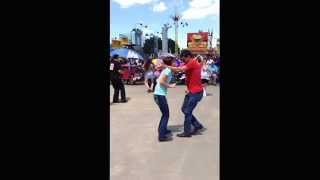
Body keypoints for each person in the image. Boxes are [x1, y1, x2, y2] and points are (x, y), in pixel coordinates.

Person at [161, 49, 205, 137]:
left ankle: (187, 132)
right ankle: (197, 125)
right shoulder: (190, 63)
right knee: (184, 109)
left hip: (196, 92)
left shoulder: (192, 62)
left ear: (188, 56)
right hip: (191, 91)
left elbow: (179, 69)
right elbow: (180, 69)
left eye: (183, 58)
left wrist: (165, 66)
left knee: (187, 112)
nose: (182, 60)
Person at [153, 58, 176, 142]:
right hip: (159, 95)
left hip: (159, 94)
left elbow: (159, 80)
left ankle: (162, 130)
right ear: (170, 63)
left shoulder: (167, 69)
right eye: (174, 62)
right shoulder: (167, 70)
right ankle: (161, 136)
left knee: (164, 114)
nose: (175, 63)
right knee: (166, 115)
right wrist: (170, 86)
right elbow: (161, 81)